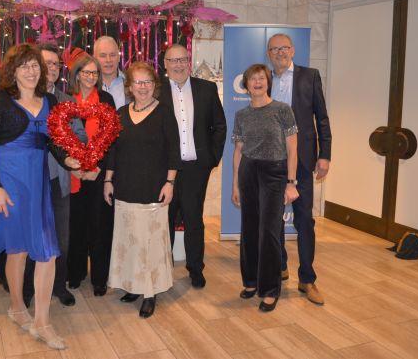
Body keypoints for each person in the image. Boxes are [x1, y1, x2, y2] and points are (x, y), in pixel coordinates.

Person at [0, 44, 79, 350]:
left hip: (37, 183)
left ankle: (41, 322)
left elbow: (54, 143)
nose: (31, 71)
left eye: (35, 65)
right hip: (8, 184)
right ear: (13, 71)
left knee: (47, 251)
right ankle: (18, 307)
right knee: (17, 250)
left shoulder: (50, 101)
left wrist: (69, 160)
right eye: (24, 66)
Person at [103, 61, 180, 318]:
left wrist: (170, 183)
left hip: (154, 188)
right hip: (125, 186)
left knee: (150, 243)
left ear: (154, 85)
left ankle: (149, 292)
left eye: (147, 82)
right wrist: (108, 180)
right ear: (129, 86)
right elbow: (113, 151)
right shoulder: (121, 113)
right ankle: (133, 285)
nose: (143, 87)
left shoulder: (164, 112)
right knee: (129, 240)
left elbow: (174, 151)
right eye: (138, 82)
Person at [267, 33, 332, 305]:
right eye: (274, 49)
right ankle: (280, 266)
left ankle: (307, 278)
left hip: (303, 161)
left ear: (292, 50)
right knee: (273, 219)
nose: (280, 52)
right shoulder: (264, 79)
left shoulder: (310, 76)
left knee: (304, 220)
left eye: (284, 48)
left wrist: (325, 155)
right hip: (271, 160)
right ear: (269, 54)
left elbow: (322, 118)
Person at [22, 43, 87, 307]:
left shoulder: (67, 101)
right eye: (45, 63)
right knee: (30, 237)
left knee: (61, 238)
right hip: (29, 181)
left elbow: (81, 136)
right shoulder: (22, 98)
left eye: (55, 64)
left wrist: (65, 137)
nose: (50, 68)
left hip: (58, 179)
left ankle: (59, 286)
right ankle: (28, 289)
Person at [231, 64, 299, 312]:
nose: (257, 82)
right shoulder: (241, 115)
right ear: (246, 85)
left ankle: (270, 289)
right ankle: (250, 281)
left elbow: (292, 148)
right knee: (249, 229)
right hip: (248, 171)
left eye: (262, 78)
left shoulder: (282, 110)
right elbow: (238, 151)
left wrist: (291, 183)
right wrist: (235, 184)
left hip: (274, 173)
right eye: (253, 79)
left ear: (268, 82)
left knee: (269, 231)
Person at [159, 44, 227, 288]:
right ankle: (162, 270)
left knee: (194, 219)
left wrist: (211, 159)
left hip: (196, 169)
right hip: (164, 170)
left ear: (188, 61)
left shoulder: (206, 89)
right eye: (173, 60)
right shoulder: (156, 90)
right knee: (164, 221)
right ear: (165, 64)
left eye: (182, 60)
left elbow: (220, 126)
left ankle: (195, 269)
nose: (178, 65)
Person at [66, 54, 117, 296]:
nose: (90, 77)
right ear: (76, 75)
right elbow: (59, 136)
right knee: (75, 226)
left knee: (99, 227)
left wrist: (98, 168)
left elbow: (111, 137)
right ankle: (75, 273)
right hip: (73, 173)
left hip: (98, 174)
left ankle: (99, 278)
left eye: (94, 73)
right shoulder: (66, 99)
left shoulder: (106, 100)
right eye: (86, 72)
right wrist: (76, 167)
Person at [93, 36, 129, 109]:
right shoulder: (87, 85)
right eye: (103, 56)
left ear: (119, 57)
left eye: (112, 55)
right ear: (94, 58)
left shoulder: (131, 82)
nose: (108, 60)